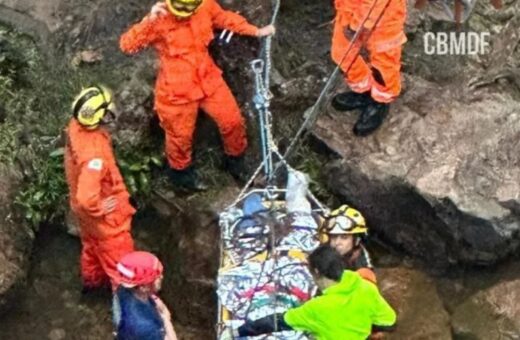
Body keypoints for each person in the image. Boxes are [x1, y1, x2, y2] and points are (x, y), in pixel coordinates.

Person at [120, 0, 275, 190]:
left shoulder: (205, 6)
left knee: (232, 121)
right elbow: (127, 45)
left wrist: (255, 31)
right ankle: (182, 178)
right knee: (180, 138)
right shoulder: (159, 18)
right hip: (177, 91)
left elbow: (223, 18)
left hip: (207, 78)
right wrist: (148, 21)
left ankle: (235, 162)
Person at [232, 245, 397, 339]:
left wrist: (239, 331)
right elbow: (389, 322)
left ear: (316, 272)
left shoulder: (316, 308)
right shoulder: (365, 288)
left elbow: (275, 322)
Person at [64, 85, 135, 291]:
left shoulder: (75, 127)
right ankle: (125, 313)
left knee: (91, 247)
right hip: (106, 222)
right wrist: (99, 208)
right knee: (123, 272)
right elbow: (87, 198)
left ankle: (92, 285)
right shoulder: (94, 156)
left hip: (85, 216)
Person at [330, 0, 407, 136]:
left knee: (383, 68)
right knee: (342, 53)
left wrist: (358, 25)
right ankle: (363, 90)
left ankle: (380, 101)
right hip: (350, 8)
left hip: (384, 17)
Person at [113, 251, 177, 340]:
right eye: (157, 277)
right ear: (143, 287)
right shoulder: (146, 328)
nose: (161, 277)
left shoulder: (122, 290)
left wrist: (153, 298)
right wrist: (166, 319)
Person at [321, 204, 376, 284]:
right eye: (333, 237)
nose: (337, 243)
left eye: (344, 237)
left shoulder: (363, 264)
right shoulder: (322, 253)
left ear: (356, 239)